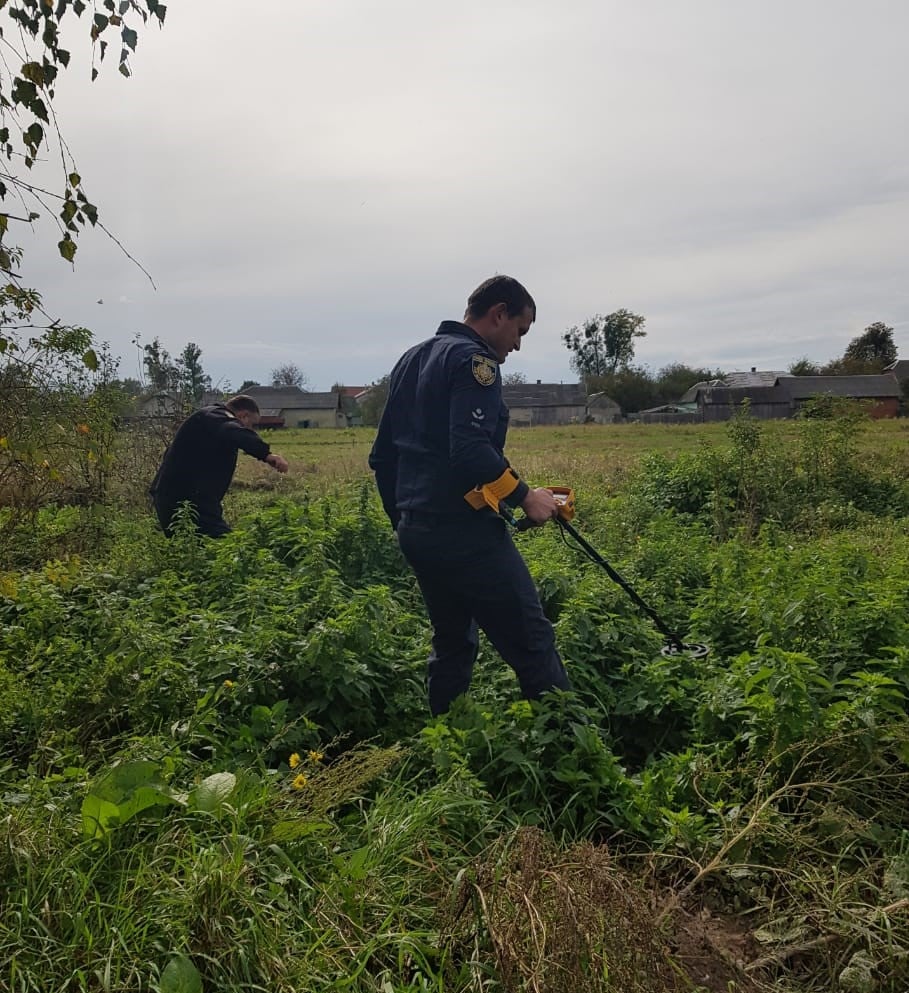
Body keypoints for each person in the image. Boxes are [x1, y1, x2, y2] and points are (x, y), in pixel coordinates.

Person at [369, 275, 571, 716]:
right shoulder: (475, 361)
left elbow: (382, 458)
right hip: (464, 534)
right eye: (520, 330)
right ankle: (572, 749)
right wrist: (525, 497)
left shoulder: (411, 358)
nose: (517, 346)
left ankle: (446, 739)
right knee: (532, 641)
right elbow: (471, 449)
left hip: (417, 530)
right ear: (498, 313)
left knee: (453, 639)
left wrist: (403, 521)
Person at [150, 394, 289, 537]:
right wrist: (266, 454)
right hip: (185, 500)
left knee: (194, 548)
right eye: (252, 425)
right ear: (243, 416)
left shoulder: (210, 420)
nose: (251, 430)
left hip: (187, 497)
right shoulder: (217, 416)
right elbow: (234, 431)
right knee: (226, 547)